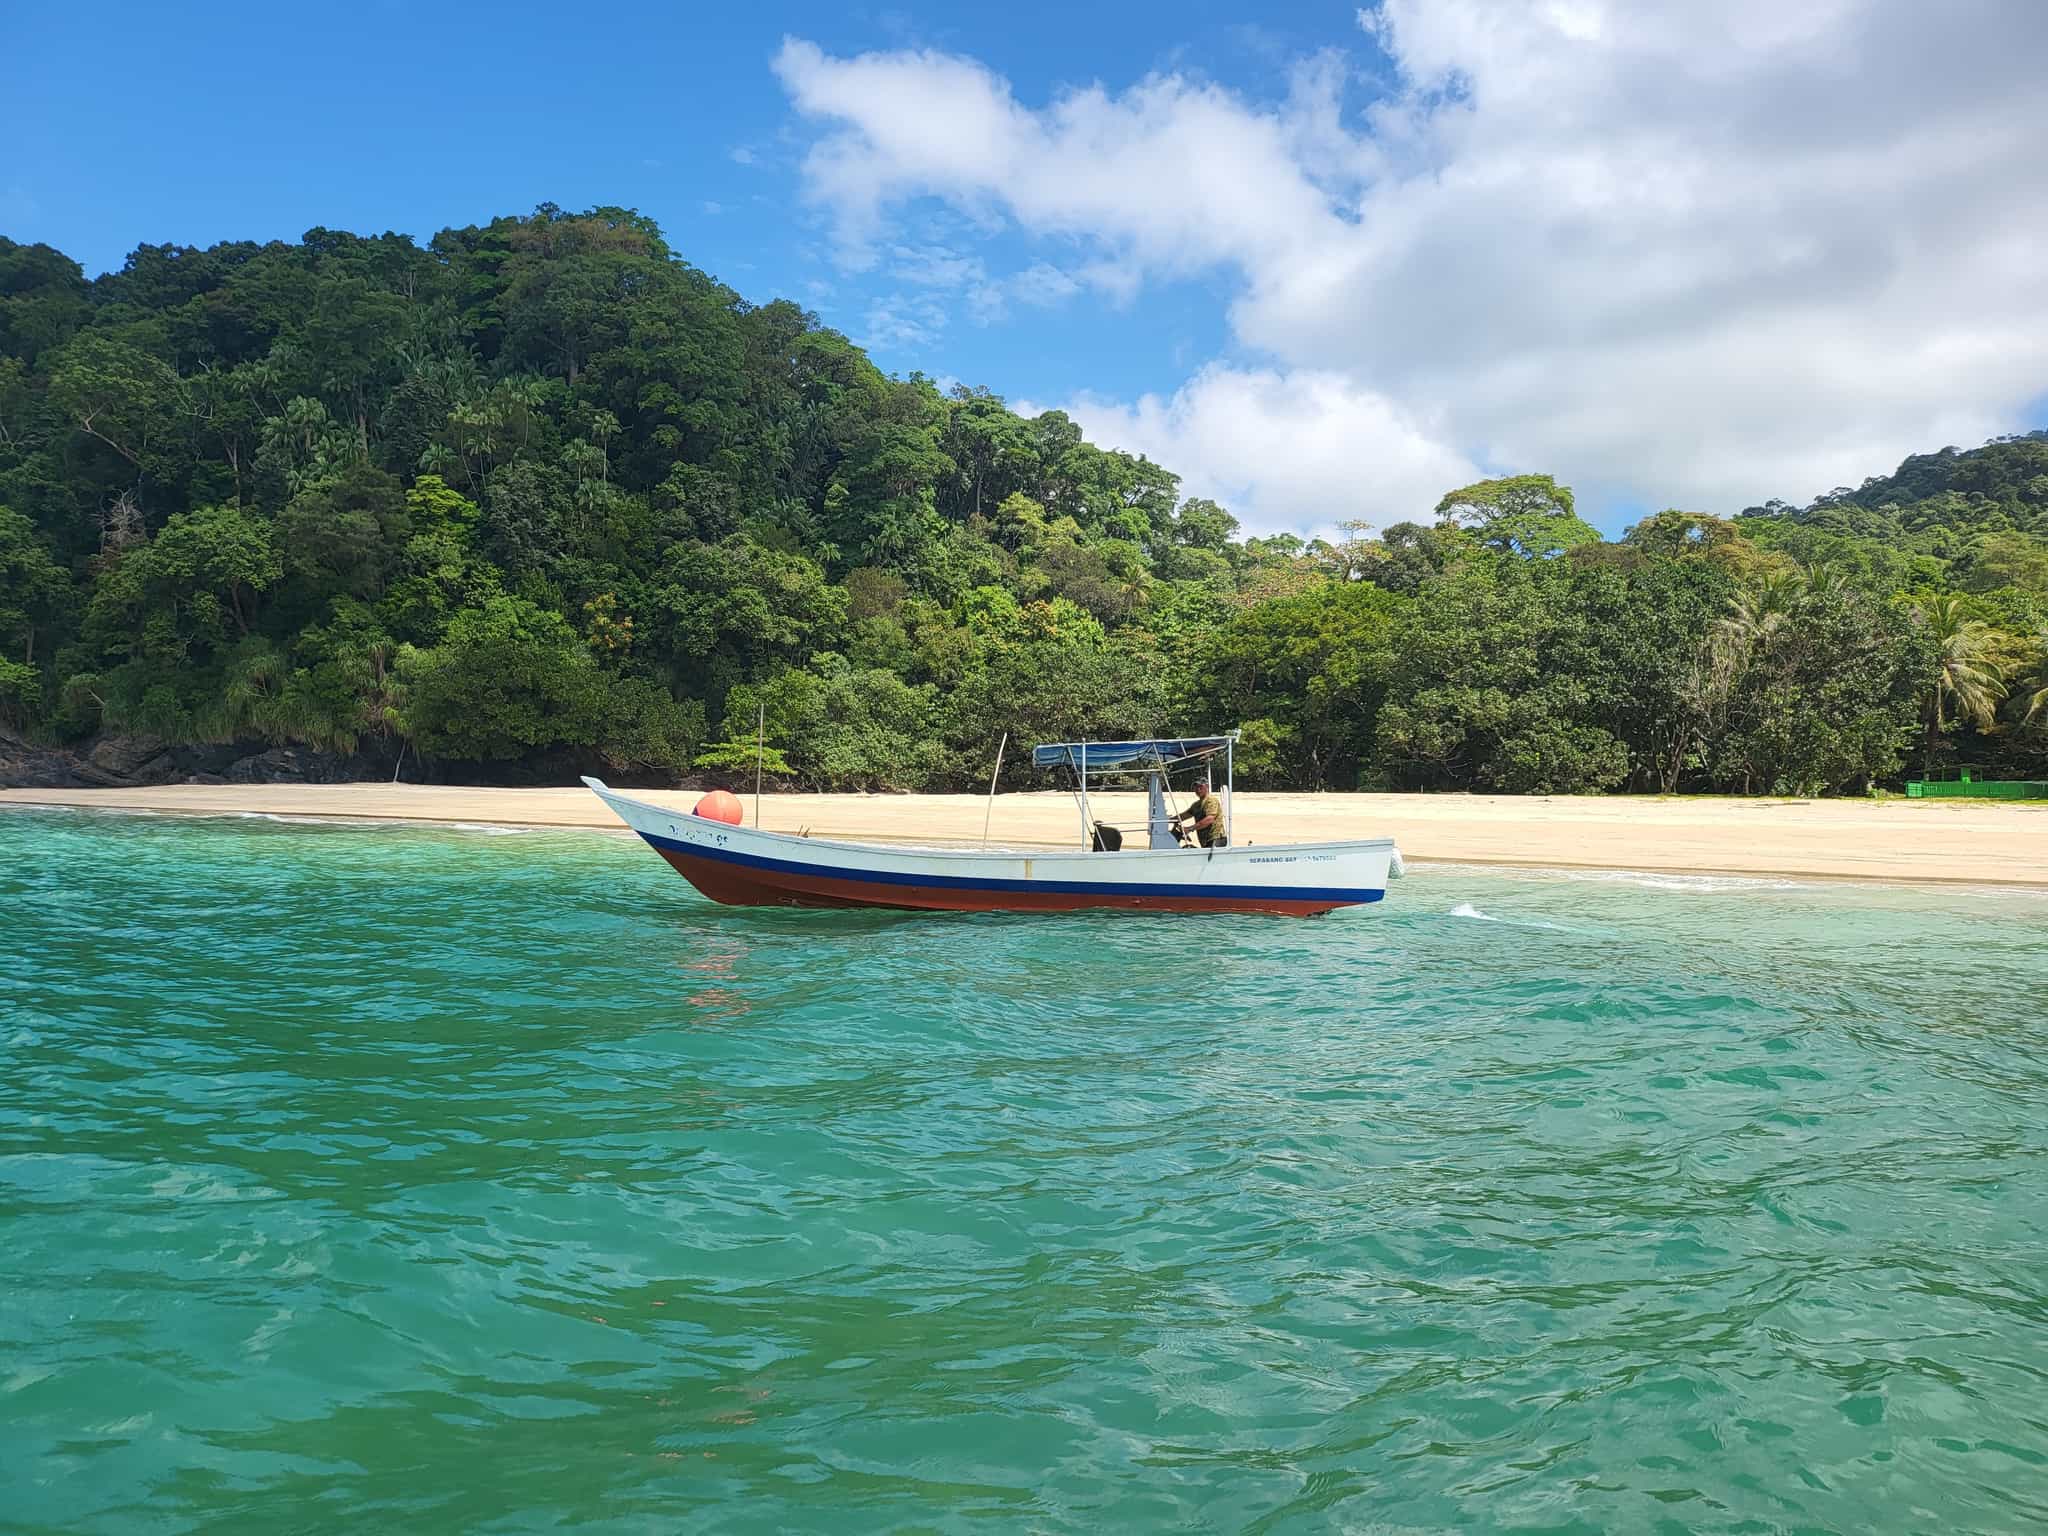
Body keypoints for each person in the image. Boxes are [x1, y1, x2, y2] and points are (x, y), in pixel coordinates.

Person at [1173, 775, 1228, 848]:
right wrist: (1169, 820)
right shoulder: (1196, 805)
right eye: (1196, 787)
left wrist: (1189, 828)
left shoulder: (1211, 800)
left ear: (1207, 787)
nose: (1198, 790)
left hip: (1216, 838)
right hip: (1205, 840)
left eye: (1200, 787)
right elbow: (1184, 816)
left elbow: (1210, 819)